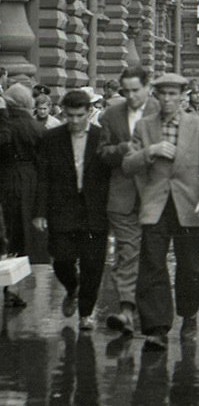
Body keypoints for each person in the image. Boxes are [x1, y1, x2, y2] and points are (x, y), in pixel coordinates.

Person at [123, 72, 199, 350]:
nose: (167, 99)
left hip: (190, 206)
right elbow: (128, 164)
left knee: (190, 266)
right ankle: (156, 328)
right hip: (155, 206)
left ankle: (189, 315)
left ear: (183, 97)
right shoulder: (144, 127)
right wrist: (150, 151)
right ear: (156, 96)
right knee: (152, 265)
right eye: (162, 94)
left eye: (173, 94)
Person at [33, 89, 110, 330]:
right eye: (70, 116)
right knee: (61, 259)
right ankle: (72, 287)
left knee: (93, 263)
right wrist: (39, 212)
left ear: (89, 112)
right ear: (64, 113)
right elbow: (43, 177)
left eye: (79, 115)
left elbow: (111, 175)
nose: (75, 121)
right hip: (62, 207)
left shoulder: (102, 137)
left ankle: (86, 313)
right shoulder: (52, 138)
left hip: (94, 209)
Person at [98, 66, 160, 336]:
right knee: (127, 252)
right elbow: (102, 153)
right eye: (127, 91)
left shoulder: (162, 110)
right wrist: (122, 149)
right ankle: (126, 311)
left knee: (150, 257)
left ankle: (147, 313)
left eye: (136, 90)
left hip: (155, 195)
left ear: (148, 87)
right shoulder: (111, 114)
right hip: (121, 195)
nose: (132, 96)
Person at [0, 83, 44, 306]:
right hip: (29, 181)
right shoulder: (36, 127)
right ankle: (12, 286)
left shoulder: (4, 125)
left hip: (5, 179)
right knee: (22, 235)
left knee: (6, 233)